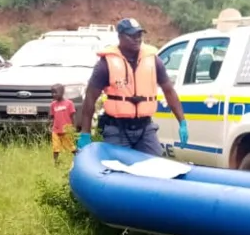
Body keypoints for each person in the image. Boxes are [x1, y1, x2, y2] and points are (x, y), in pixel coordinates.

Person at [76, 18, 188, 154]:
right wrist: (85, 133)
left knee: (155, 162)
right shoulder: (105, 64)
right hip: (116, 129)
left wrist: (182, 122)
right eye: (132, 36)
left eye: (139, 35)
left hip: (145, 128)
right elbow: (90, 98)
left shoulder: (153, 61)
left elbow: (169, 91)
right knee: (117, 165)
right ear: (120, 37)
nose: (137, 39)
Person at [49, 84, 77, 165]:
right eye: (52, 93)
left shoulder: (69, 103)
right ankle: (55, 162)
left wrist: (74, 127)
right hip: (56, 129)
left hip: (66, 129)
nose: (53, 94)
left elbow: (73, 116)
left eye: (55, 92)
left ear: (62, 92)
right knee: (55, 147)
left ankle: (79, 158)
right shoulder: (53, 104)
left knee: (70, 146)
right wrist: (50, 126)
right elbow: (52, 117)